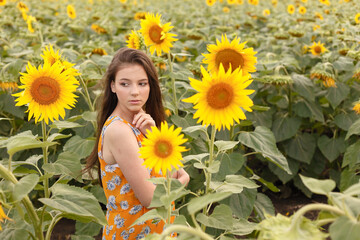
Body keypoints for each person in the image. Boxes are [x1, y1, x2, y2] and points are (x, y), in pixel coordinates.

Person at [85, 47, 190, 240]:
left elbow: (171, 171)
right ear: (113, 86)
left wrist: (153, 136)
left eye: (142, 83)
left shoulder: (141, 125)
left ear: (151, 86)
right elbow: (152, 198)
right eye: (125, 84)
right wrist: (184, 181)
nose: (135, 92)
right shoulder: (120, 131)